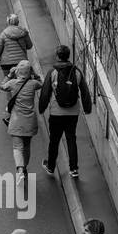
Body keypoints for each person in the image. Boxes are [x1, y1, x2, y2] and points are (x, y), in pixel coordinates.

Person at [39, 44, 94, 178]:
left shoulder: (53, 72)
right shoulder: (76, 71)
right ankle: (74, 169)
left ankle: (51, 166)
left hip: (56, 113)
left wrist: (42, 108)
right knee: (71, 139)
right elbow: (85, 91)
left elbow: (45, 92)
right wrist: (87, 108)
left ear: (58, 56)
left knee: (54, 140)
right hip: (73, 112)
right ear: (68, 56)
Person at [1, 59, 43, 187]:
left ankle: (19, 169)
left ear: (18, 71)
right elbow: (41, 82)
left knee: (17, 147)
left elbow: (2, 86)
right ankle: (24, 167)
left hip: (16, 121)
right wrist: (34, 73)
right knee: (27, 146)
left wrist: (10, 74)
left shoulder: (13, 83)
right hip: (30, 121)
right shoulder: (33, 84)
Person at [0, 13, 34, 78]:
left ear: (8, 22)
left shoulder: (4, 34)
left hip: (6, 64)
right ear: (18, 22)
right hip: (21, 63)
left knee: (8, 82)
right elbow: (30, 46)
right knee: (22, 81)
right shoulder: (24, 32)